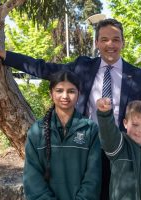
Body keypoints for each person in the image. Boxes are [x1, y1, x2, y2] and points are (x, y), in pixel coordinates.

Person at [0, 18, 141, 199]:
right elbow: (45, 69)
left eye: (115, 39)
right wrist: (4, 54)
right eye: (104, 39)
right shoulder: (83, 67)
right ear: (97, 42)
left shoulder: (140, 77)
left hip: (121, 153)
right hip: (85, 149)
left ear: (123, 42)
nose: (110, 44)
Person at [23, 70, 101, 200]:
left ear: (79, 95)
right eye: (59, 90)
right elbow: (32, 177)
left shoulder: (90, 129)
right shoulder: (37, 131)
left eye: (71, 91)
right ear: (51, 94)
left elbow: (93, 177)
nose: (65, 96)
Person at [96, 98, 141, 200]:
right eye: (135, 124)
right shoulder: (119, 146)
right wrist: (105, 114)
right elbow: (108, 135)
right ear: (125, 123)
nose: (140, 130)